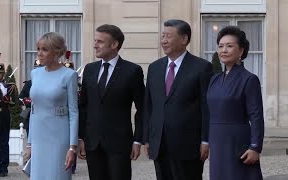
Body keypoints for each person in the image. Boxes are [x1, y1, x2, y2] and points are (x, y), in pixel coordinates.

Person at [143, 19, 213, 180]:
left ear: (184, 39)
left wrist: (206, 140)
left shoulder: (202, 67)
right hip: (159, 143)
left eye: (168, 36)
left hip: (188, 144)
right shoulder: (154, 68)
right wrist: (147, 138)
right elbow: (149, 106)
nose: (164, 41)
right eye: (162, 36)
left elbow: (206, 107)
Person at [78, 24, 145, 180]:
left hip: (119, 143)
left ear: (114, 45)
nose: (95, 45)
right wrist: (81, 137)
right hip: (93, 143)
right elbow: (83, 106)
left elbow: (142, 108)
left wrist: (138, 140)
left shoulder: (132, 71)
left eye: (100, 41)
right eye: (95, 40)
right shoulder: (90, 69)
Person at [207, 26, 264, 180]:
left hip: (238, 142)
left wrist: (255, 147)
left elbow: (256, 115)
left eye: (229, 46)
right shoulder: (214, 79)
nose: (223, 50)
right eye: (220, 46)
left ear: (241, 51)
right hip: (217, 140)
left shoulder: (249, 79)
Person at [25, 32, 79, 180]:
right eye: (38, 49)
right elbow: (34, 111)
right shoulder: (35, 74)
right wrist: (29, 144)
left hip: (59, 137)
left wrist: (72, 147)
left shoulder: (69, 75)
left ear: (56, 52)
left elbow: (74, 113)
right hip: (38, 136)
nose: (39, 54)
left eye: (44, 49)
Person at [0, 52, 18, 177]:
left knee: (3, 142)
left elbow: (14, 102)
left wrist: (6, 98)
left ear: (3, 74)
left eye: (0, 73)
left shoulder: (10, 86)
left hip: (4, 115)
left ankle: (4, 168)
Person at [18, 59, 43, 138]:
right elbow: (20, 98)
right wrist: (30, 102)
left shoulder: (47, 82)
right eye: (36, 69)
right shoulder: (29, 84)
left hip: (43, 116)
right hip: (30, 115)